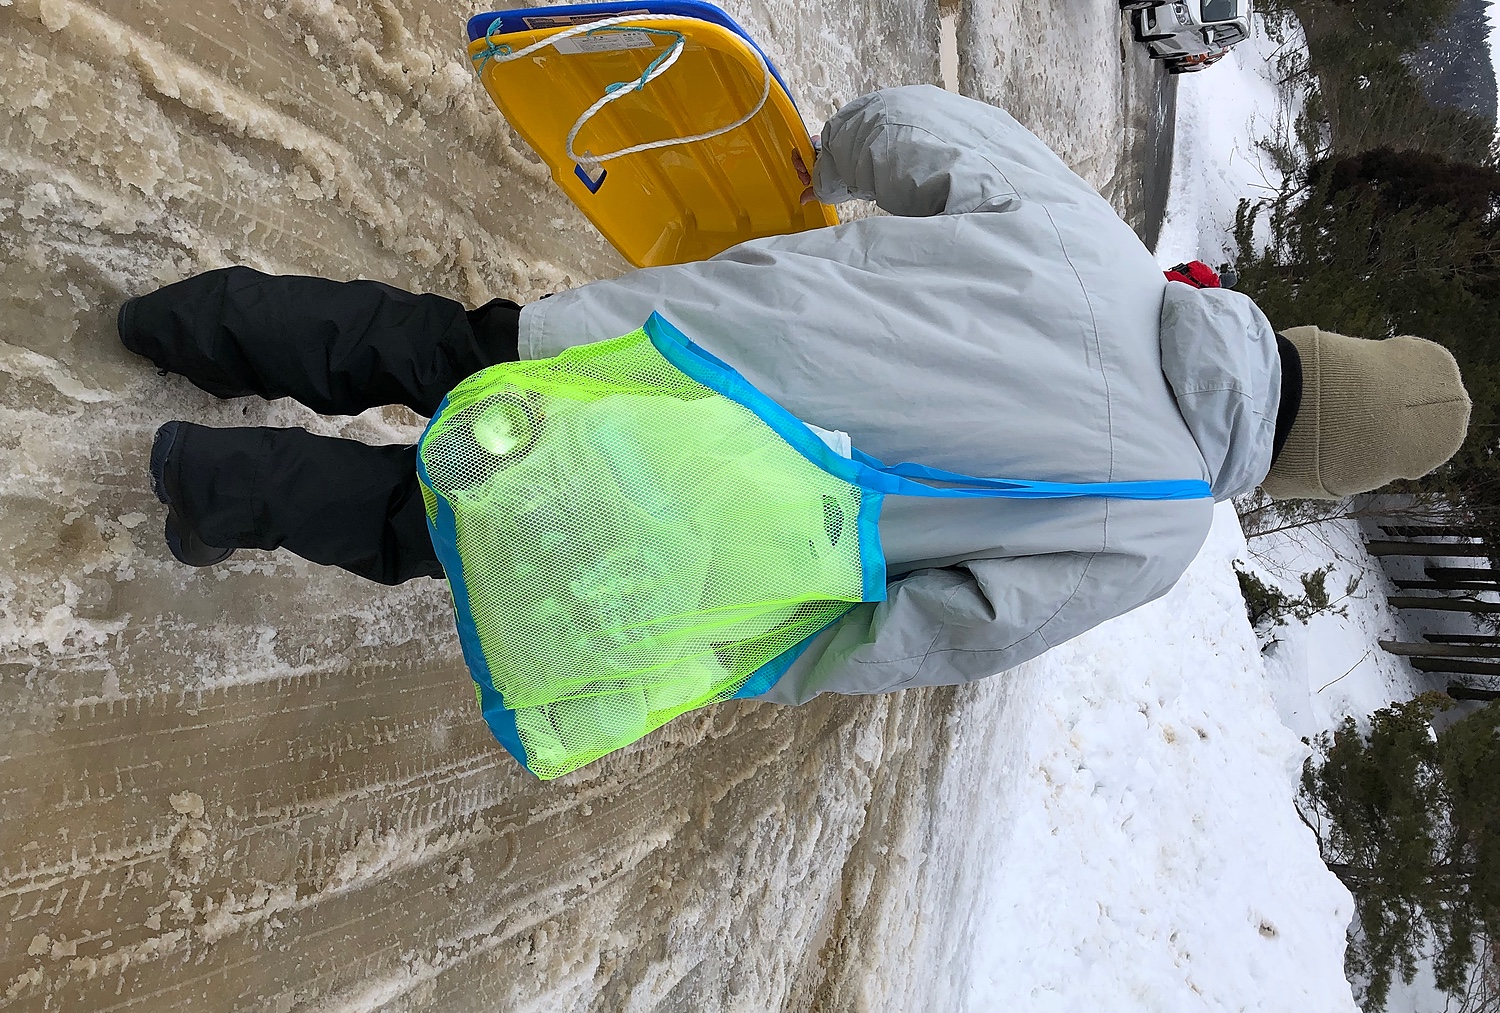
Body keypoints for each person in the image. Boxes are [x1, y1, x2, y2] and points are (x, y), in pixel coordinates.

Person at [120, 84, 1471, 709]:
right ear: (1307, 473)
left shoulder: (1097, 244)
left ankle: (180, 320)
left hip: (682, 341)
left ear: (1302, 340)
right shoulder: (1160, 527)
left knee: (431, 350)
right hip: (714, 513)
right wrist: (755, 660)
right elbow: (947, 628)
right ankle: (204, 484)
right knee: (455, 526)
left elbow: (911, 130)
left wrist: (821, 161)